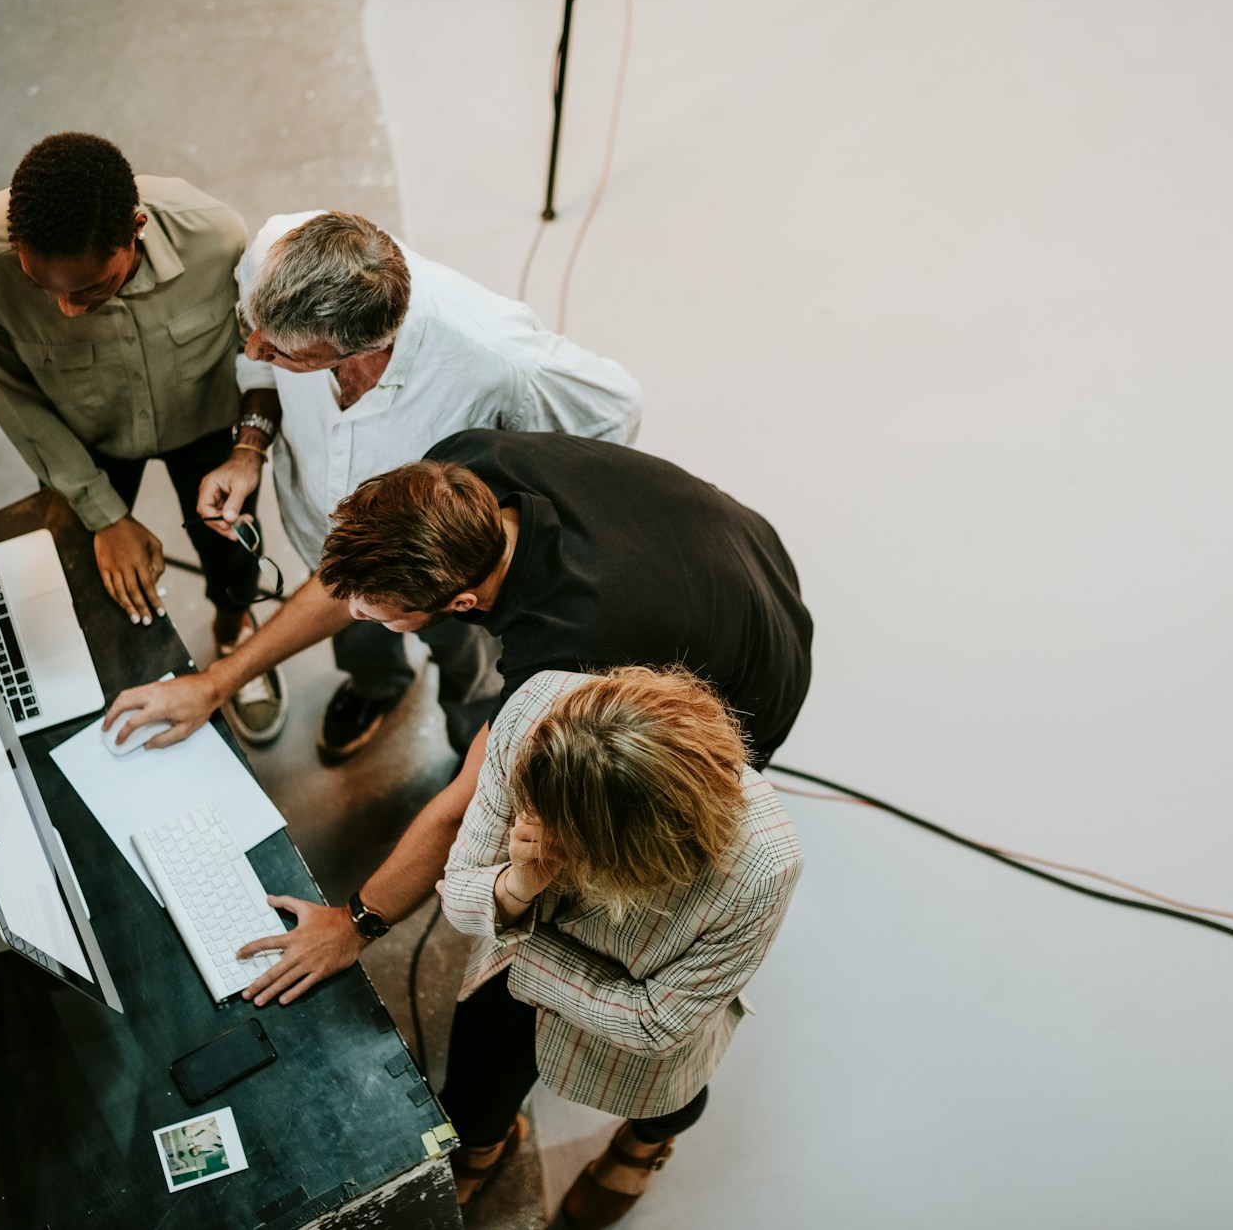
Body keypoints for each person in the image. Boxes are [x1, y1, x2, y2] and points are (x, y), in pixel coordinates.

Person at [107, 429, 812, 1005]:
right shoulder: (463, 473)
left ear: (460, 606)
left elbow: (461, 807)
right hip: (731, 543)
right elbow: (346, 581)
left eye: (369, 615)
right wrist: (215, 683)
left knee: (582, 810)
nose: (348, 614)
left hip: (745, 677)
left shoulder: (564, 657)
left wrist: (352, 927)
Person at [187, 210, 642, 757]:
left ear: (361, 348)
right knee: (354, 630)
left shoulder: (497, 359)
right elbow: (257, 353)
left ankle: (471, 754)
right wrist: (249, 446)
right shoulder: (273, 252)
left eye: (287, 354)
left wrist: (479, 528)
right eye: (252, 325)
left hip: (438, 579)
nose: (256, 351)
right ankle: (377, 684)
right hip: (320, 533)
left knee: (471, 673)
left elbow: (611, 415)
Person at [0, 132, 284, 738]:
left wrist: (248, 448)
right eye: (45, 291)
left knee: (230, 554)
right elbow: (12, 396)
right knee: (84, 568)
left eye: (93, 289)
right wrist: (103, 515)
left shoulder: (217, 237)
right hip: (79, 441)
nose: (68, 311)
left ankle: (234, 633)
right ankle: (113, 678)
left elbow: (261, 347)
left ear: (138, 228)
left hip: (202, 424)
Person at [437, 666, 803, 1225]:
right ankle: (483, 1147)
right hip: (527, 975)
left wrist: (520, 941)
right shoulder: (537, 712)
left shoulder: (764, 866)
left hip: (639, 1019)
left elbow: (656, 1023)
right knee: (469, 1097)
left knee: (670, 1102)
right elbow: (459, 895)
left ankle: (642, 1145)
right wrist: (516, 886)